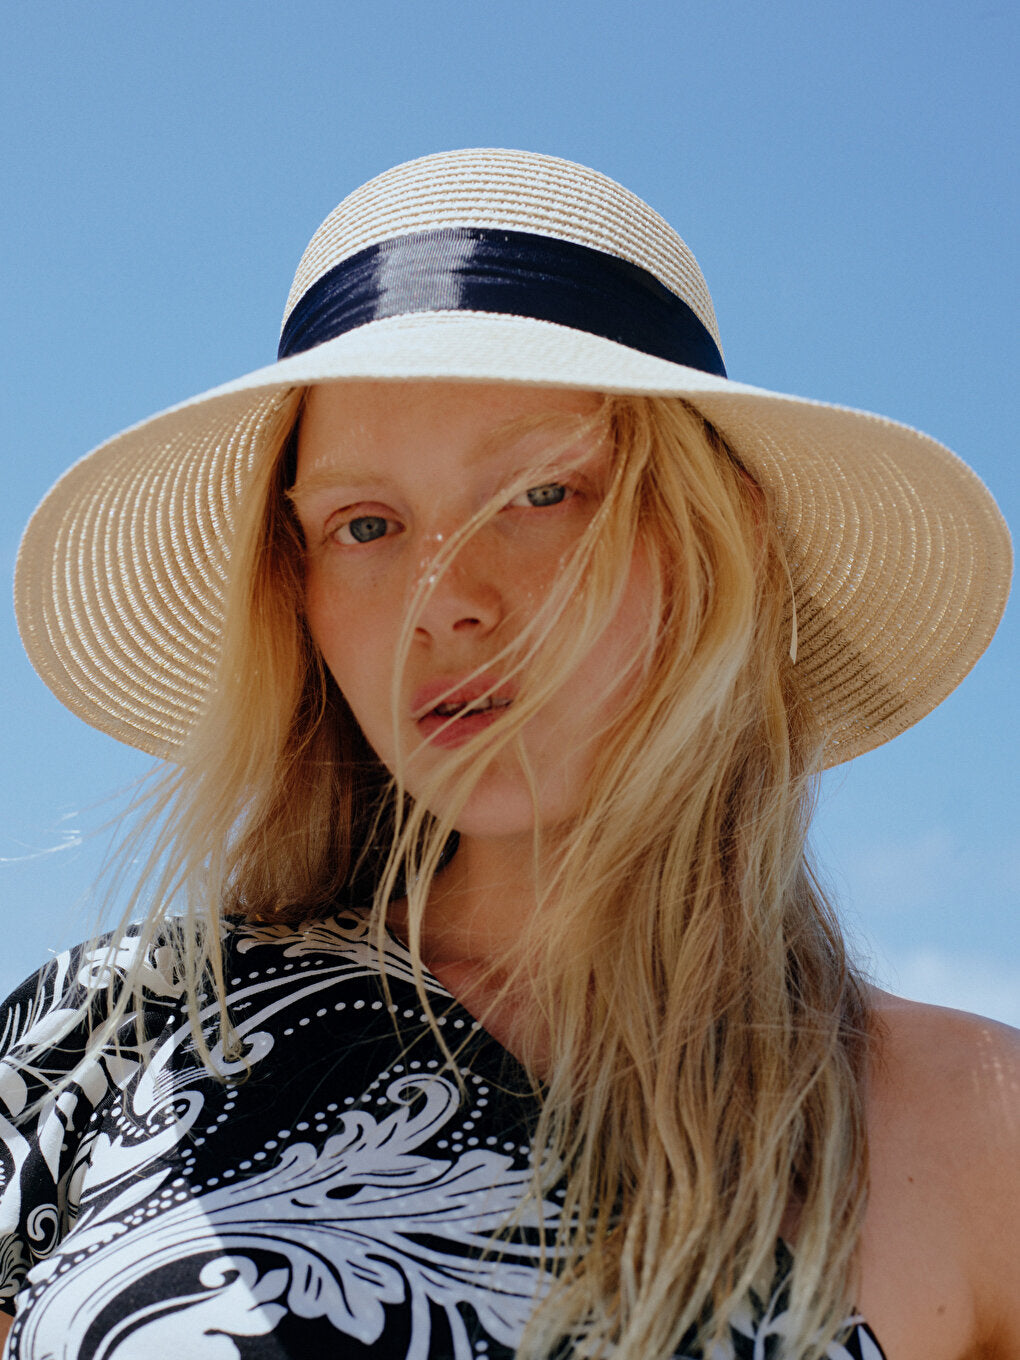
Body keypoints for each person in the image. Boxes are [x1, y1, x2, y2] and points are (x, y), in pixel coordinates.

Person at [1, 149, 1016, 1360]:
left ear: (712, 539)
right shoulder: (106, 1039)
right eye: (364, 523)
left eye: (540, 493)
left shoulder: (971, 1128)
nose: (446, 597)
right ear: (301, 595)